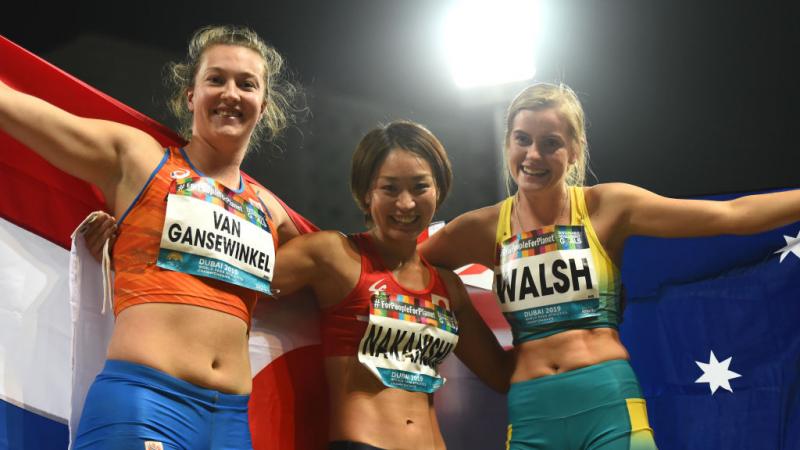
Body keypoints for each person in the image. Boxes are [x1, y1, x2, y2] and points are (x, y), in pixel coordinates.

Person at [419, 82, 800, 450]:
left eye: (550, 143)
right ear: (508, 143)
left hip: (608, 405)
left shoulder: (608, 208)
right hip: (531, 413)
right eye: (523, 140)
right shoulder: (481, 229)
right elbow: (405, 265)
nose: (533, 155)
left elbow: (732, 215)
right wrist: (464, 316)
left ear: (574, 150)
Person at [0, 25, 306, 450]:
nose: (231, 93)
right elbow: (11, 106)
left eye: (246, 84)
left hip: (232, 423)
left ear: (263, 104)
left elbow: (348, 285)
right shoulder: (139, 159)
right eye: (215, 79)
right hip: (145, 403)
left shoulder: (271, 212)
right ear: (190, 95)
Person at [270, 120, 512, 450]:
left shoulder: (448, 287)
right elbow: (235, 287)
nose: (406, 204)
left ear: (438, 189)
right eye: (390, 188)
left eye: (419, 187)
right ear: (365, 193)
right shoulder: (333, 256)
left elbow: (501, 374)